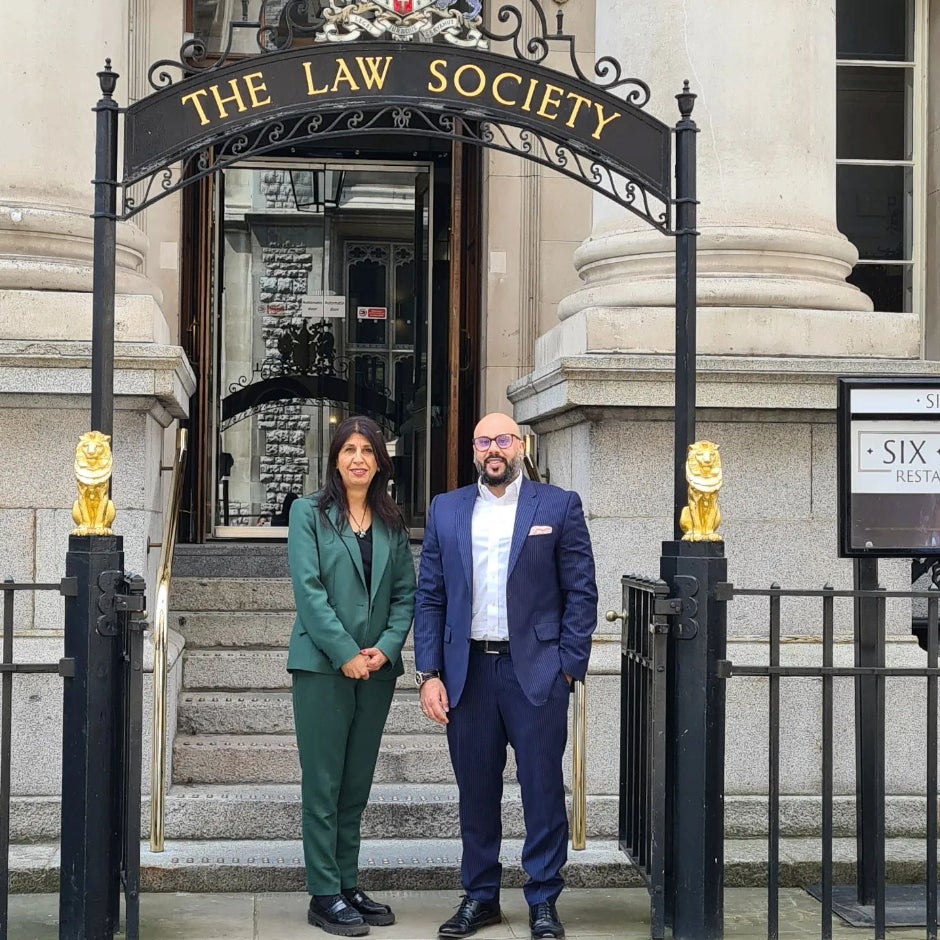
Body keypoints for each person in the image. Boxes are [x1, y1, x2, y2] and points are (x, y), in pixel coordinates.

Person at [414, 412, 598, 940]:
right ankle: (480, 896)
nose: (493, 449)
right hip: (467, 671)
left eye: (502, 439)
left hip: (536, 672)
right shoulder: (446, 509)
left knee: (541, 788)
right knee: (475, 790)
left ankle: (543, 898)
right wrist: (429, 672)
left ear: (520, 446)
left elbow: (581, 592)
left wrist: (568, 666)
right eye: (483, 441)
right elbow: (431, 597)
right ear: (473, 450)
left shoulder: (557, 505)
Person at [287, 415, 416, 937]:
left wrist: (385, 650)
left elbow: (406, 594)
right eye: (349, 449)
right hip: (322, 668)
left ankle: (346, 883)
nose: (358, 458)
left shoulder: (391, 522)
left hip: (376, 672)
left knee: (355, 785)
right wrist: (345, 653)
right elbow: (309, 592)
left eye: (368, 449)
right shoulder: (307, 514)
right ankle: (323, 894)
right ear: (335, 460)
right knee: (324, 784)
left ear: (380, 462)